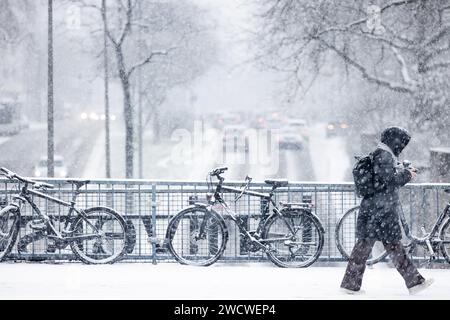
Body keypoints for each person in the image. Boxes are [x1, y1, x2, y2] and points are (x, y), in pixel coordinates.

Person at [340, 126, 433, 295]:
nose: (402, 147)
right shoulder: (383, 156)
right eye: (401, 143)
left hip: (376, 209)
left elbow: (382, 179)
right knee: (387, 247)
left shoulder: (381, 153)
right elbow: (388, 181)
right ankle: (414, 282)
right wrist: (407, 175)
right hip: (381, 210)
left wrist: (401, 172)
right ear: (395, 141)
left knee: (370, 247)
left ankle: (350, 285)